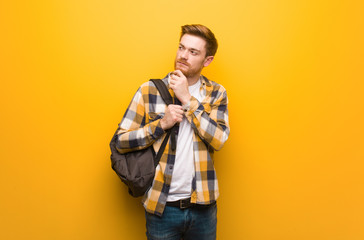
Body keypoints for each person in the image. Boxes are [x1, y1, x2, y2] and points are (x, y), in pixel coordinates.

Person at [115, 24, 230, 240]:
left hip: (203, 207)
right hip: (162, 207)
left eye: (193, 52)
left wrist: (188, 100)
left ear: (207, 60)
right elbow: (120, 141)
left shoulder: (216, 93)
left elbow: (219, 139)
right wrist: (160, 124)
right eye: (181, 48)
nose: (183, 56)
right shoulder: (149, 90)